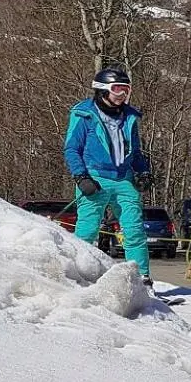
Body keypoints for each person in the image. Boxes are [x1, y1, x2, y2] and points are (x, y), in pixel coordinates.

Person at [64, 67, 154, 284]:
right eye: (117, 90)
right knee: (87, 229)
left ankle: (142, 279)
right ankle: (78, 277)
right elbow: (71, 149)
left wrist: (143, 171)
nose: (122, 95)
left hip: (123, 179)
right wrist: (81, 177)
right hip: (95, 177)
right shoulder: (84, 114)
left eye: (126, 90)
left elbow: (136, 151)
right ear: (103, 90)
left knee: (134, 230)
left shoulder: (129, 117)